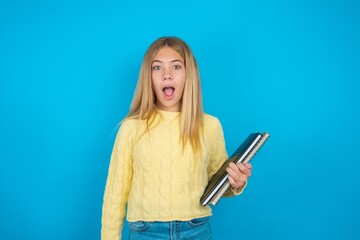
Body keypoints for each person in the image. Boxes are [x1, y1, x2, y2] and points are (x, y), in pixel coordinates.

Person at [101, 36, 252, 240]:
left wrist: (235, 183)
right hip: (146, 233)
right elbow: (114, 196)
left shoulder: (210, 126)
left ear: (189, 74)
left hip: (196, 230)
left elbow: (217, 186)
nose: (167, 75)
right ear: (149, 76)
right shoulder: (131, 128)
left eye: (176, 67)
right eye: (157, 68)